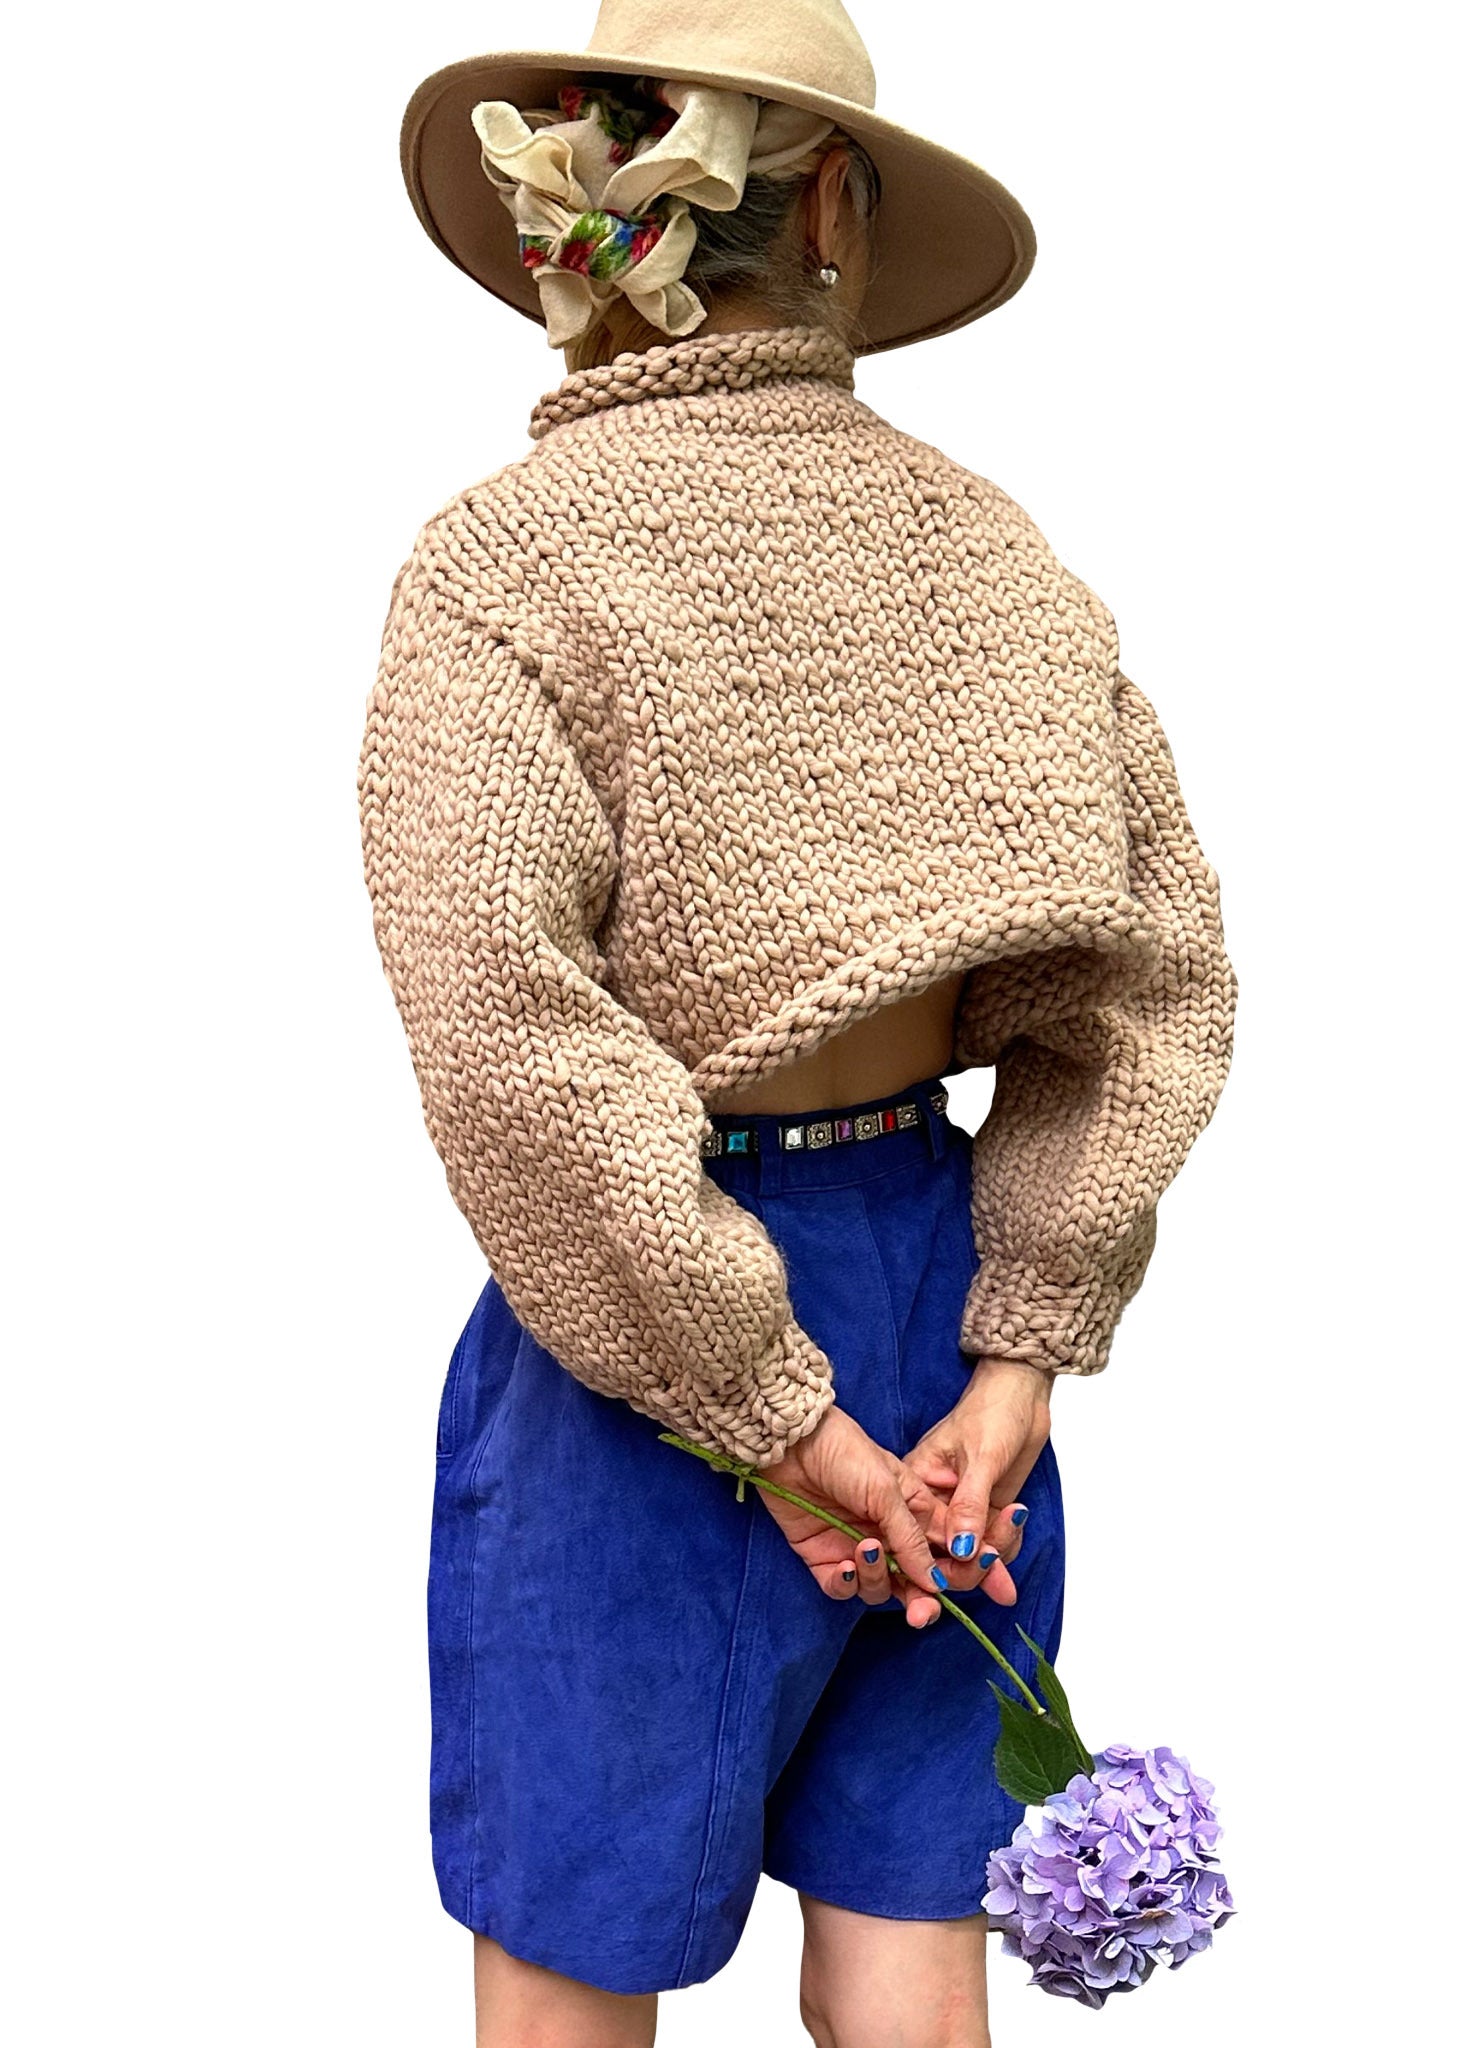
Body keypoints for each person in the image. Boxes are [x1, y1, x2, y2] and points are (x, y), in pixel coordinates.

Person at [359, 5, 1238, 2043]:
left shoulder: (500, 568)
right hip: (940, 1294)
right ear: (836, 202)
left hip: (639, 1344)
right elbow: (1150, 979)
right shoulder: (993, 552)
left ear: (576, 217)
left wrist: (766, 1419)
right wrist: (1016, 1353)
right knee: (909, 1967)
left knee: (575, 1981)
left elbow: (509, 1042)